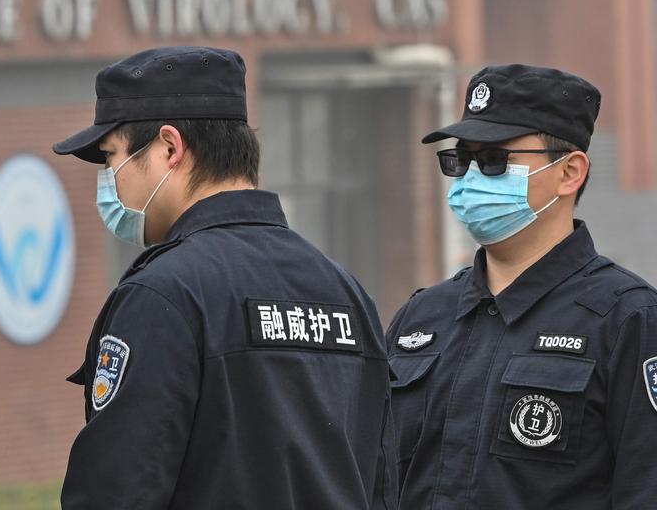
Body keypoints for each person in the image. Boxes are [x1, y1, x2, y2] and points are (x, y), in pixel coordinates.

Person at [52, 46, 396, 509]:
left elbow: (115, 492)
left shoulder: (163, 295)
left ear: (169, 148)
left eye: (110, 157)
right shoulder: (347, 294)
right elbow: (383, 486)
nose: (110, 179)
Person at [387, 64, 657, 509]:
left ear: (570, 172)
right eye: (461, 160)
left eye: (495, 160)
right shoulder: (421, 320)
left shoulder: (627, 320)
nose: (471, 179)